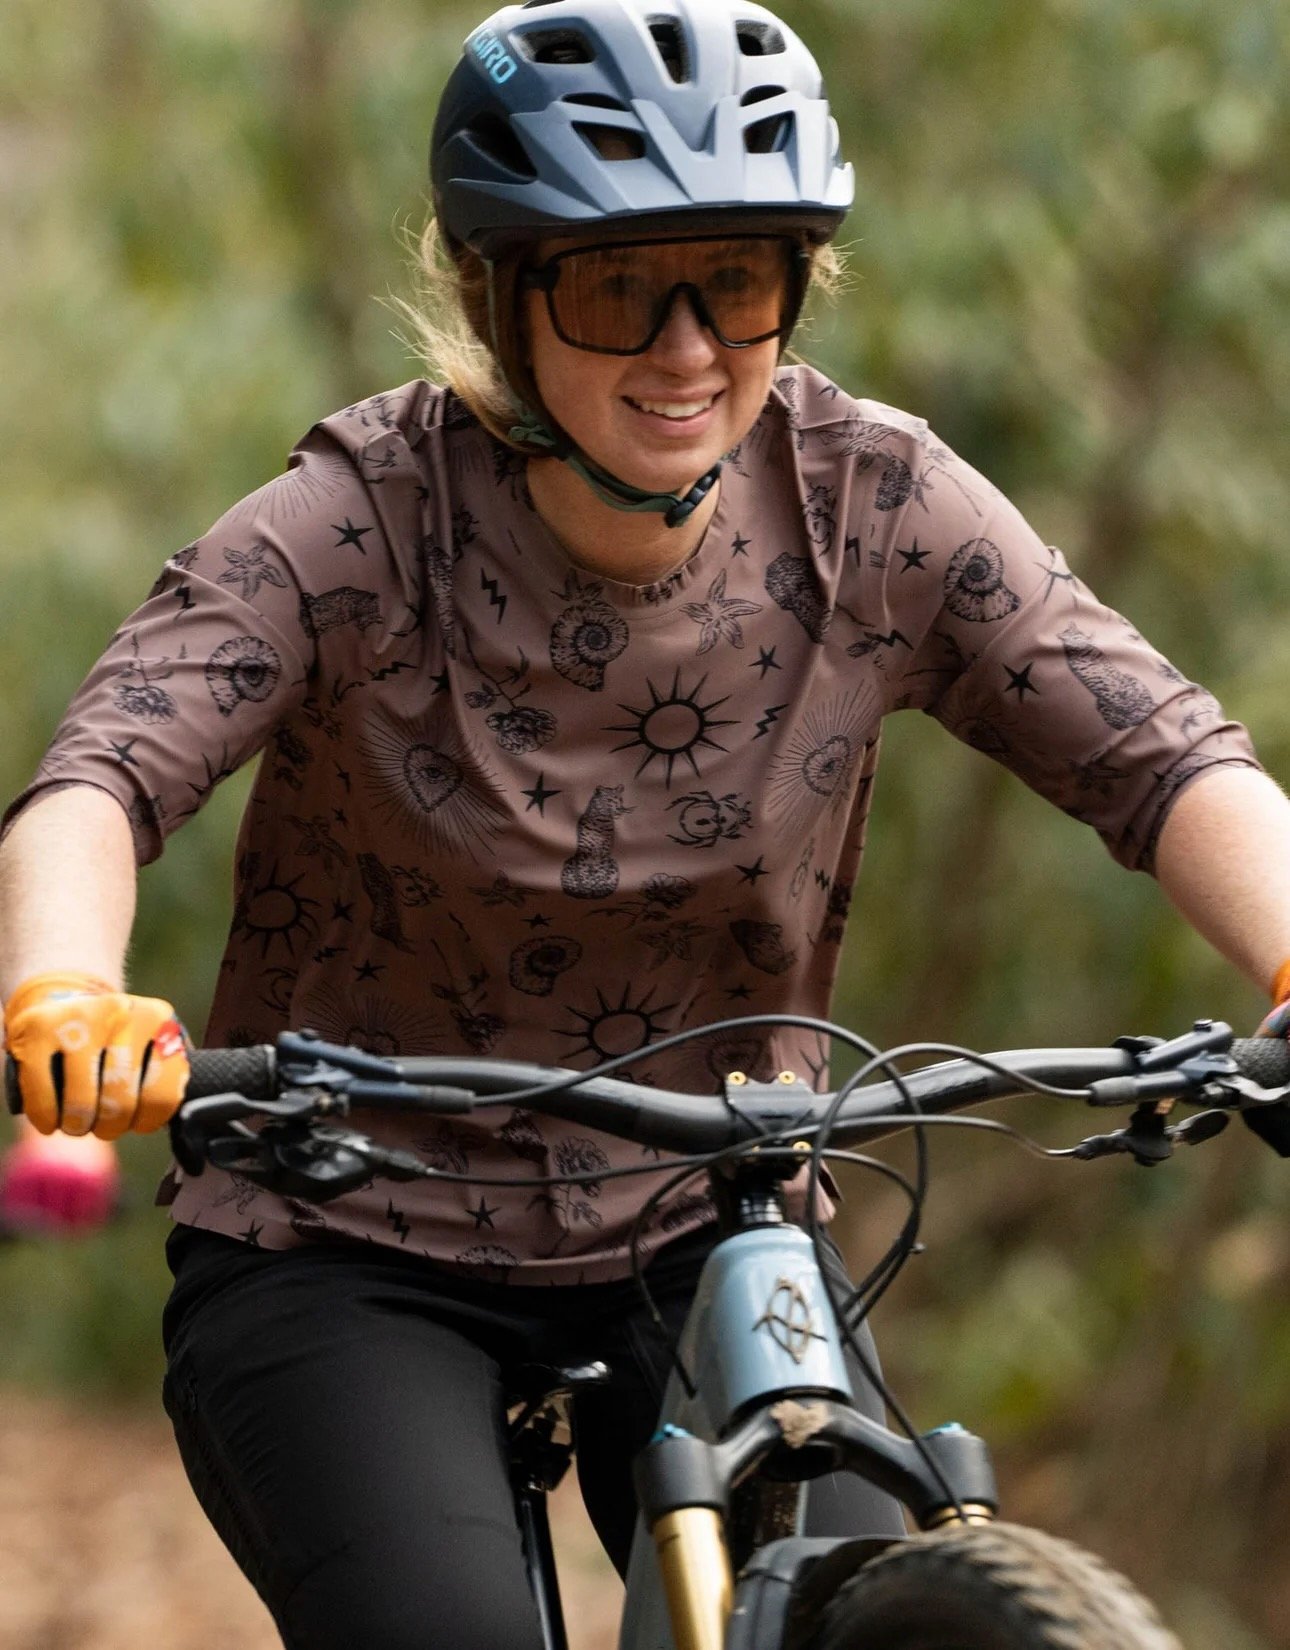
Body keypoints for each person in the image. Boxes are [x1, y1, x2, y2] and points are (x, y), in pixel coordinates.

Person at [3, 1, 1289, 1644]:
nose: (687, 349)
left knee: (853, 1605)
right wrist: (65, 991)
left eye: (734, 281)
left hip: (715, 1219)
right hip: (340, 1220)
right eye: (619, 289)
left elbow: (1163, 756)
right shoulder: (359, 521)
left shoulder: (871, 504)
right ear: (502, 296)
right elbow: (101, 777)